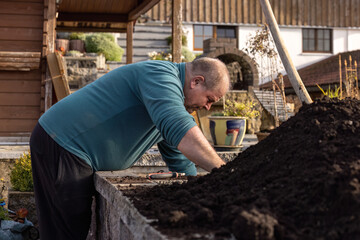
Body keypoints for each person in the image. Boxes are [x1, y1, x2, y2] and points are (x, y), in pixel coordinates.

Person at [30, 57, 230, 239]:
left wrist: (198, 192)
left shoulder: (169, 100)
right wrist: (225, 173)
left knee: (71, 229)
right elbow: (180, 128)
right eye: (210, 100)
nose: (207, 108)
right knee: (65, 233)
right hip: (63, 142)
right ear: (196, 81)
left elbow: (180, 159)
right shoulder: (160, 75)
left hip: (69, 148)